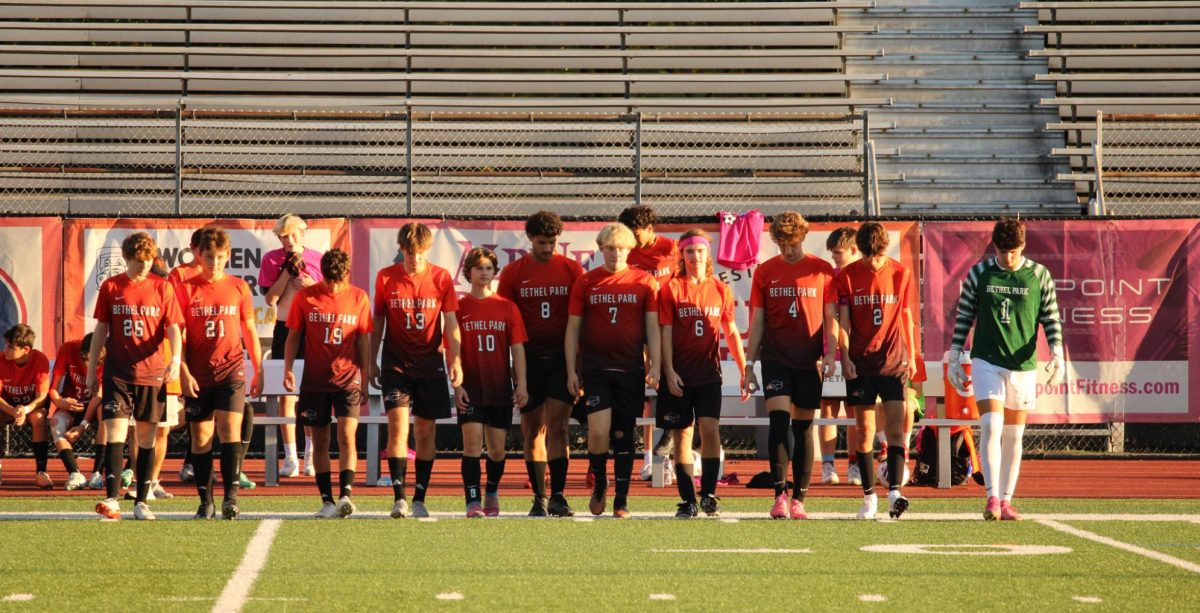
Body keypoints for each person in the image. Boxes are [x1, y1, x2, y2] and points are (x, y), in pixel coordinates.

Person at [947, 218, 1064, 521]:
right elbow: (964, 315)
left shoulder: (1039, 275)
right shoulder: (980, 273)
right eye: (1003, 251)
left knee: (1014, 435)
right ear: (995, 247)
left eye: (1013, 251)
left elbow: (1050, 317)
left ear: (1023, 246)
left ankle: (1007, 500)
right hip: (987, 361)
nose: (1008, 257)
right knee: (990, 426)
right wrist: (955, 354)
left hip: (1023, 365)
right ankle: (991, 497)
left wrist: (1057, 352)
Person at [742, 213, 837, 520]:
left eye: (793, 242)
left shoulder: (822, 270)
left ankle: (800, 499)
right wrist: (749, 363)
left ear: (803, 238)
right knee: (779, 421)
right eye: (783, 243)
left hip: (809, 360)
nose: (789, 249)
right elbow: (757, 321)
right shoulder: (765, 271)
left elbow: (831, 317)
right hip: (775, 359)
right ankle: (779, 495)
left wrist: (831, 354)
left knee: (804, 427)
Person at [566, 223, 660, 518]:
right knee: (597, 432)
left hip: (629, 369)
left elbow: (653, 329)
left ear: (630, 249)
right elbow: (572, 329)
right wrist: (572, 370)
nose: (615, 253)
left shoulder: (645, 282)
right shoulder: (587, 282)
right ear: (601, 249)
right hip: (596, 369)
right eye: (609, 248)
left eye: (621, 248)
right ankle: (600, 482)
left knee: (622, 434)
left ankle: (621, 498)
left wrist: (654, 362)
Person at [87, 232, 183, 520]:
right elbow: (101, 330)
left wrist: (175, 359)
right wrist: (93, 369)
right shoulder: (111, 286)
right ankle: (112, 499)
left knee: (146, 438)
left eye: (149, 260)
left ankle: (142, 500)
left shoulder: (163, 288)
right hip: (117, 372)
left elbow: (174, 328)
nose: (144, 266)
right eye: (139, 260)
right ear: (128, 258)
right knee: (115, 433)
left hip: (151, 373)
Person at [370, 222, 462, 519]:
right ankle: (399, 498)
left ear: (427, 251)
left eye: (420, 253)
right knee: (397, 428)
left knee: (425, 432)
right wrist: (371, 359)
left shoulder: (441, 277)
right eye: (410, 253)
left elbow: (451, 323)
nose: (415, 258)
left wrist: (455, 360)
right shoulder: (385, 278)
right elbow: (378, 322)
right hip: (396, 363)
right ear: (402, 250)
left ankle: (420, 496)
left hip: (430, 363)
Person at [496, 211, 583, 517]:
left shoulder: (572, 270)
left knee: (559, 426)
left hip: (561, 359)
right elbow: (504, 319)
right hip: (528, 360)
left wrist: (578, 366)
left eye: (552, 242)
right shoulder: (513, 273)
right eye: (542, 242)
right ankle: (540, 497)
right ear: (530, 240)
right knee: (532, 430)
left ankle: (559, 495)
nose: (547, 248)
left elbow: (580, 320)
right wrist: (511, 367)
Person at [658, 229, 747, 518]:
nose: (695, 256)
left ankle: (708, 494)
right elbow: (665, 334)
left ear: (707, 253)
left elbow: (731, 331)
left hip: (709, 374)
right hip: (680, 375)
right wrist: (668, 371)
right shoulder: (671, 288)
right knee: (682, 436)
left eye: (699, 251)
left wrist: (745, 370)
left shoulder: (720, 288)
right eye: (689, 252)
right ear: (681, 256)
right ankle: (687, 500)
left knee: (710, 430)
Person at [178, 227, 264, 520]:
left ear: (228, 257)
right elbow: (177, 334)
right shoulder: (186, 288)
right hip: (199, 374)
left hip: (232, 371)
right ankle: (205, 501)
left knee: (230, 433)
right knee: (201, 439)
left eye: (219, 257)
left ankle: (231, 498)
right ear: (199, 256)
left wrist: (258, 369)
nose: (214, 262)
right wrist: (183, 370)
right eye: (209, 256)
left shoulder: (239, 287)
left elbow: (249, 328)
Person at [832, 221, 917, 520]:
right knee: (865, 431)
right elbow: (843, 321)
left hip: (893, 361)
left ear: (885, 250)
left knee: (895, 429)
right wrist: (843, 355)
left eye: (877, 256)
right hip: (861, 362)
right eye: (868, 256)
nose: (873, 261)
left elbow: (905, 314)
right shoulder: (847, 276)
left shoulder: (900, 272)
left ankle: (895, 491)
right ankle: (869, 497)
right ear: (860, 251)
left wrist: (914, 353)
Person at [284, 249, 372, 519]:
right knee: (320, 441)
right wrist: (288, 369)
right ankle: (326, 500)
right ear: (323, 274)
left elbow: (363, 341)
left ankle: (346, 494)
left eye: (339, 279)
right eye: (330, 279)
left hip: (347, 379)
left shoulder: (358, 297)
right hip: (315, 380)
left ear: (347, 274)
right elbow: (293, 336)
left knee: (347, 436)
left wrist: (365, 377)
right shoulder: (305, 297)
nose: (334, 285)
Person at [454, 247, 529, 517]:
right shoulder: (459, 307)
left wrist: (521, 384)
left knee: (497, 449)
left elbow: (518, 349)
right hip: (471, 386)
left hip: (499, 387)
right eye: (479, 268)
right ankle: (472, 500)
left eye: (489, 268)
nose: (484, 273)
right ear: (468, 272)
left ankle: (492, 491)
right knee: (472, 444)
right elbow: (451, 350)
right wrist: (457, 384)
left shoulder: (507, 307)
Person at [260, 213, 324, 478]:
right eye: (284, 236)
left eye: (294, 235)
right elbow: (270, 299)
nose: (289, 240)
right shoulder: (271, 259)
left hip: (312, 328)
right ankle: (290, 456)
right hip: (285, 328)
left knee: (311, 392)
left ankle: (310, 455)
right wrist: (287, 272)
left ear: (302, 233)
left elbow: (329, 297)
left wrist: (310, 285)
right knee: (286, 392)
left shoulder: (319, 258)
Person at [618, 205, 679, 479]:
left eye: (636, 232)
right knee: (640, 389)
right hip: (637, 324)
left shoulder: (671, 249)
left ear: (650, 229)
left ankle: (665, 450)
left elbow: (682, 283)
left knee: (670, 384)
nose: (631, 237)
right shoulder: (625, 250)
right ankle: (644, 456)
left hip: (668, 325)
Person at [819, 227, 862, 486]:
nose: (834, 257)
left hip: (857, 353)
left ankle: (855, 464)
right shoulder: (829, 278)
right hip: (830, 351)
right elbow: (827, 318)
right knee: (828, 410)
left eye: (839, 253)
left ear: (854, 250)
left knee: (856, 411)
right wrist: (827, 352)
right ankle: (827, 464)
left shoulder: (862, 276)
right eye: (832, 253)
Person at [48, 333, 102, 491]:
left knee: (105, 417)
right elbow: (53, 389)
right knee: (55, 422)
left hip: (95, 404)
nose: (89, 366)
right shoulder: (68, 348)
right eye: (86, 360)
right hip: (72, 403)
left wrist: (82, 426)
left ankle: (97, 473)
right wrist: (59, 401)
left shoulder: (110, 357)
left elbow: (98, 396)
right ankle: (75, 473)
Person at [0, 324, 52, 488]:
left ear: (26, 350)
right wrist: (13, 411)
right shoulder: (1, 360)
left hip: (30, 406)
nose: (5, 349)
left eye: (11, 346)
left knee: (38, 418)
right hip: (7, 406)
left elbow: (42, 396)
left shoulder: (40, 359)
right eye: (6, 344)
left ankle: (41, 472)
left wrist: (25, 409)